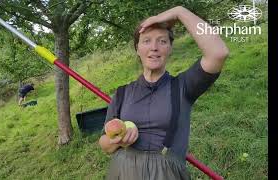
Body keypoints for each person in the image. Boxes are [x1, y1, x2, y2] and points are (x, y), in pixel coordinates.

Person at [98, 6, 229, 180]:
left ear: (170, 48)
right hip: (123, 172)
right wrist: (117, 141)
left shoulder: (184, 87)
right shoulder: (122, 93)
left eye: (162, 41)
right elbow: (104, 144)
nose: (154, 47)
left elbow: (218, 53)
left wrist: (179, 12)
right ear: (137, 49)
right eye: (146, 41)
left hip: (167, 174)